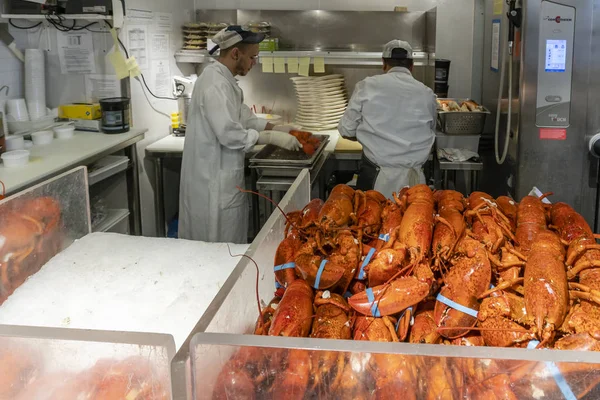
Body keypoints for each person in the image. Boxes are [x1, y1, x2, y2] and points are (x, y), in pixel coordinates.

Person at [179, 25, 301, 244]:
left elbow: (245, 119)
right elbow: (230, 134)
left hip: (221, 179)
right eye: (253, 56)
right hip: (212, 184)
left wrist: (281, 129)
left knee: (226, 243)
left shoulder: (225, 82)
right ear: (236, 53)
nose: (255, 62)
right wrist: (271, 139)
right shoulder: (215, 84)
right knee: (216, 246)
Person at [338, 39, 436, 199]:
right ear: (411, 65)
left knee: (371, 222)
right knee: (414, 222)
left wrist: (372, 134)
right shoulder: (427, 93)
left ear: (384, 63)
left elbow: (346, 130)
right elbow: (430, 130)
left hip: (376, 179)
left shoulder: (366, 86)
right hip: (416, 181)